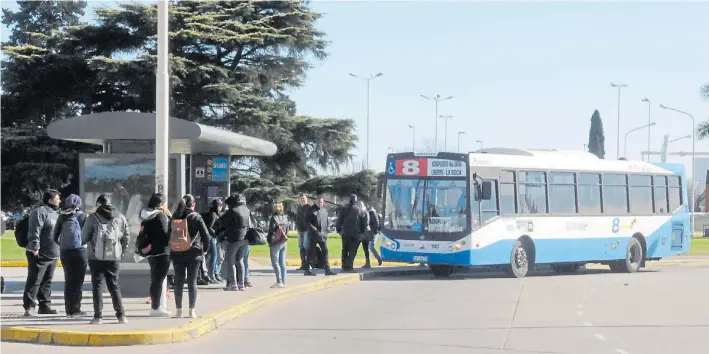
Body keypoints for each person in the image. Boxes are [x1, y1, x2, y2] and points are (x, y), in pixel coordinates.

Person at [82, 194, 129, 324]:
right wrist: (121, 251)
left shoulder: (92, 218)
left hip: (95, 257)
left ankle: (98, 317)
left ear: (98, 204)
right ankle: (121, 316)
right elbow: (126, 237)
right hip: (114, 257)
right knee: (114, 285)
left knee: (97, 286)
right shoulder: (120, 217)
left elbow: (84, 238)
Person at [169, 194, 212, 319]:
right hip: (194, 252)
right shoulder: (196, 217)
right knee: (192, 281)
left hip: (177, 252)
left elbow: (168, 234)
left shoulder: (175, 216)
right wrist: (204, 250)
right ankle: (191, 311)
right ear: (193, 203)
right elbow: (206, 236)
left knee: (179, 281)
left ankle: (178, 311)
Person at [23, 189, 61, 316]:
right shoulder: (39, 212)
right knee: (35, 280)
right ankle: (29, 306)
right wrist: (35, 247)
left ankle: (44, 305)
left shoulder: (57, 213)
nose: (59, 200)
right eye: (57, 198)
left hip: (53, 252)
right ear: (50, 200)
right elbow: (35, 230)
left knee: (47, 281)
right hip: (39, 253)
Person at [53, 194, 88, 317]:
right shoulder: (82, 215)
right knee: (78, 282)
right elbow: (87, 235)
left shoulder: (61, 217)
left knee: (68, 281)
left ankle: (69, 311)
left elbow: (54, 236)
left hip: (65, 252)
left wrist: (63, 244)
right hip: (79, 251)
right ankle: (76, 309)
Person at [138, 193, 172, 317]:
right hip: (162, 252)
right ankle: (156, 307)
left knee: (155, 279)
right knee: (158, 280)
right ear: (161, 204)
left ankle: (156, 306)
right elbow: (165, 235)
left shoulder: (146, 215)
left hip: (151, 252)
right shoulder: (161, 216)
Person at [216, 194, 250, 291]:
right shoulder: (246, 209)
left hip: (235, 238)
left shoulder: (233, 210)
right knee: (240, 261)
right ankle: (241, 284)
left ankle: (233, 284)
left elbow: (222, 221)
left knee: (230, 261)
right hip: (245, 238)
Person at [336, 194, 368, 273]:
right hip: (355, 233)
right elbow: (364, 223)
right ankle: (349, 267)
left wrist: (338, 230)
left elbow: (339, 220)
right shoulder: (359, 210)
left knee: (345, 250)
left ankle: (344, 267)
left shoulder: (344, 209)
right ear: (356, 201)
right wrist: (362, 232)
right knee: (352, 250)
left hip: (345, 233)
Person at [305, 197, 337, 276]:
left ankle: (327, 269)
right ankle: (307, 270)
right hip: (313, 235)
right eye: (319, 202)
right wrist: (315, 230)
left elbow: (326, 221)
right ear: (316, 202)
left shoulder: (324, 210)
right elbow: (307, 222)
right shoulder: (311, 210)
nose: (320, 204)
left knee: (325, 251)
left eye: (322, 202)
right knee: (310, 252)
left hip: (323, 235)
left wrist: (327, 230)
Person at [266, 202, 289, 288]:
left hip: (276, 243)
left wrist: (269, 241)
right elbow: (287, 229)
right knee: (282, 263)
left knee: (275, 263)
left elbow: (271, 231)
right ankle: (284, 281)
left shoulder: (274, 218)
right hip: (283, 242)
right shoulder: (285, 217)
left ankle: (279, 281)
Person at [201, 199, 224, 283]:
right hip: (211, 238)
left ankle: (207, 274)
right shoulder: (213, 215)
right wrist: (216, 234)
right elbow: (209, 227)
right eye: (219, 205)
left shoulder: (213, 214)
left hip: (210, 237)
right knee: (214, 256)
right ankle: (211, 275)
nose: (221, 207)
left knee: (208, 257)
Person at [295, 194, 310, 270]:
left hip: (306, 230)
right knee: (301, 247)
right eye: (301, 199)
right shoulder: (299, 208)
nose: (302, 200)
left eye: (304, 198)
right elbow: (297, 218)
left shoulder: (309, 208)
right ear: (299, 200)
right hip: (300, 230)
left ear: (306, 199)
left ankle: (307, 264)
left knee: (306, 246)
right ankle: (303, 264)